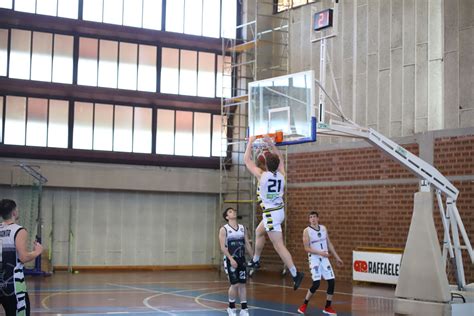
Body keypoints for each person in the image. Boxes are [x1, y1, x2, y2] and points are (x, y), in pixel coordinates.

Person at [244, 136, 304, 290]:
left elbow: (247, 160)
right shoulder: (282, 176)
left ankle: (295, 273)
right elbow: (281, 159)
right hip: (278, 211)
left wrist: (250, 142)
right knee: (259, 232)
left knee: (278, 246)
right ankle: (256, 260)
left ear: (264, 164)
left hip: (271, 214)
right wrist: (272, 145)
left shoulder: (262, 175)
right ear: (277, 165)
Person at [0, 199, 43, 316]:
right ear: (14, 212)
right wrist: (37, 252)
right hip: (13, 284)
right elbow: (23, 257)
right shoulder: (19, 230)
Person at [297, 211, 343, 315]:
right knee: (316, 284)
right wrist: (320, 253)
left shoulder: (323, 228)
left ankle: (328, 307)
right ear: (309, 219)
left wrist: (337, 257)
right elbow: (306, 248)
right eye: (310, 217)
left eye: (314, 217)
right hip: (314, 259)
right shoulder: (306, 231)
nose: (312, 219)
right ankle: (304, 304)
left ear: (318, 218)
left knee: (331, 281)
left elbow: (329, 243)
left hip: (324, 258)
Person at [219, 207, 254, 316]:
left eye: (233, 211)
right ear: (227, 217)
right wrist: (230, 259)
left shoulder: (243, 228)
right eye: (230, 211)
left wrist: (254, 258)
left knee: (243, 284)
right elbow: (223, 248)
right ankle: (231, 307)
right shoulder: (224, 229)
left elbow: (247, 244)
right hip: (230, 259)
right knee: (235, 284)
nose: (233, 212)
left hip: (241, 259)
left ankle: (244, 309)